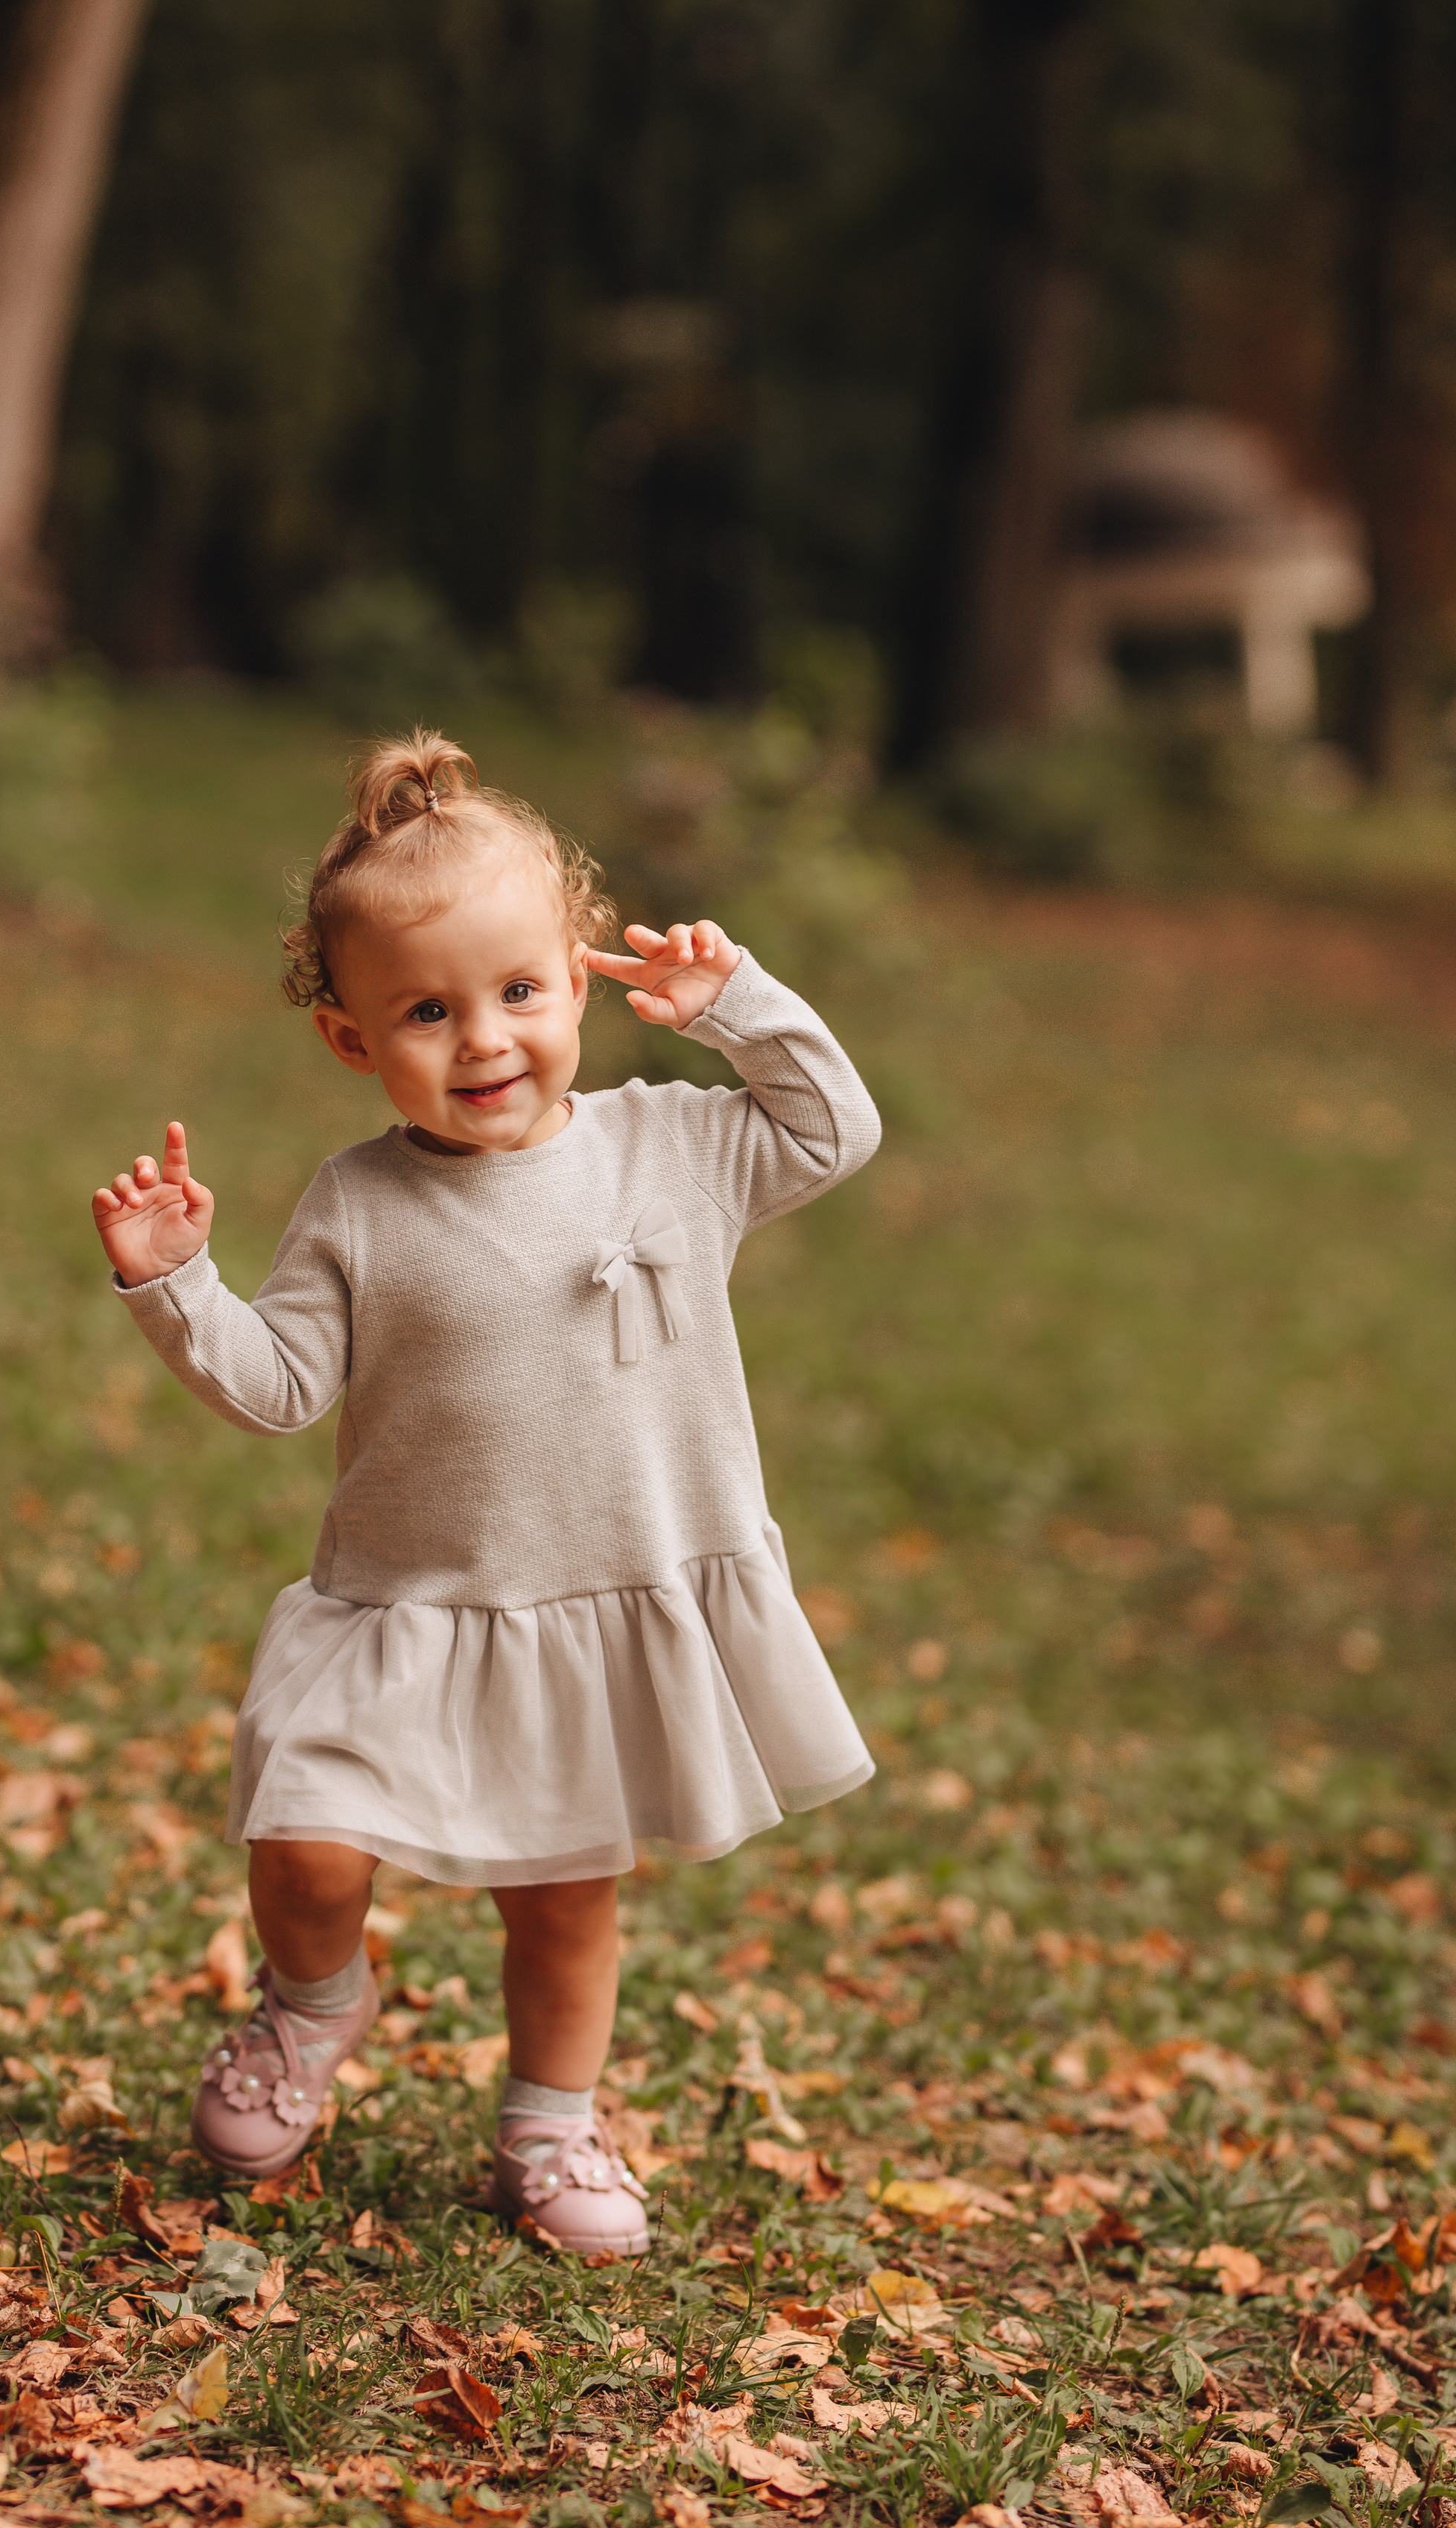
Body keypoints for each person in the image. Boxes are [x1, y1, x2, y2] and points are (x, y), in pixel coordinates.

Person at [89, 732, 880, 2257]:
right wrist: (176, 1283)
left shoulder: (673, 1146)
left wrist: (742, 1013)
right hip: (408, 1605)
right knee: (306, 1841)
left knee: (564, 1905)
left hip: (591, 1607)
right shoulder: (359, 1204)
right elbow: (276, 1388)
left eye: (519, 991)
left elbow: (830, 1131)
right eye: (427, 1011)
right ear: (348, 1039)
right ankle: (310, 2009)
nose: (484, 1040)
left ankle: (550, 2125)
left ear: (578, 985)